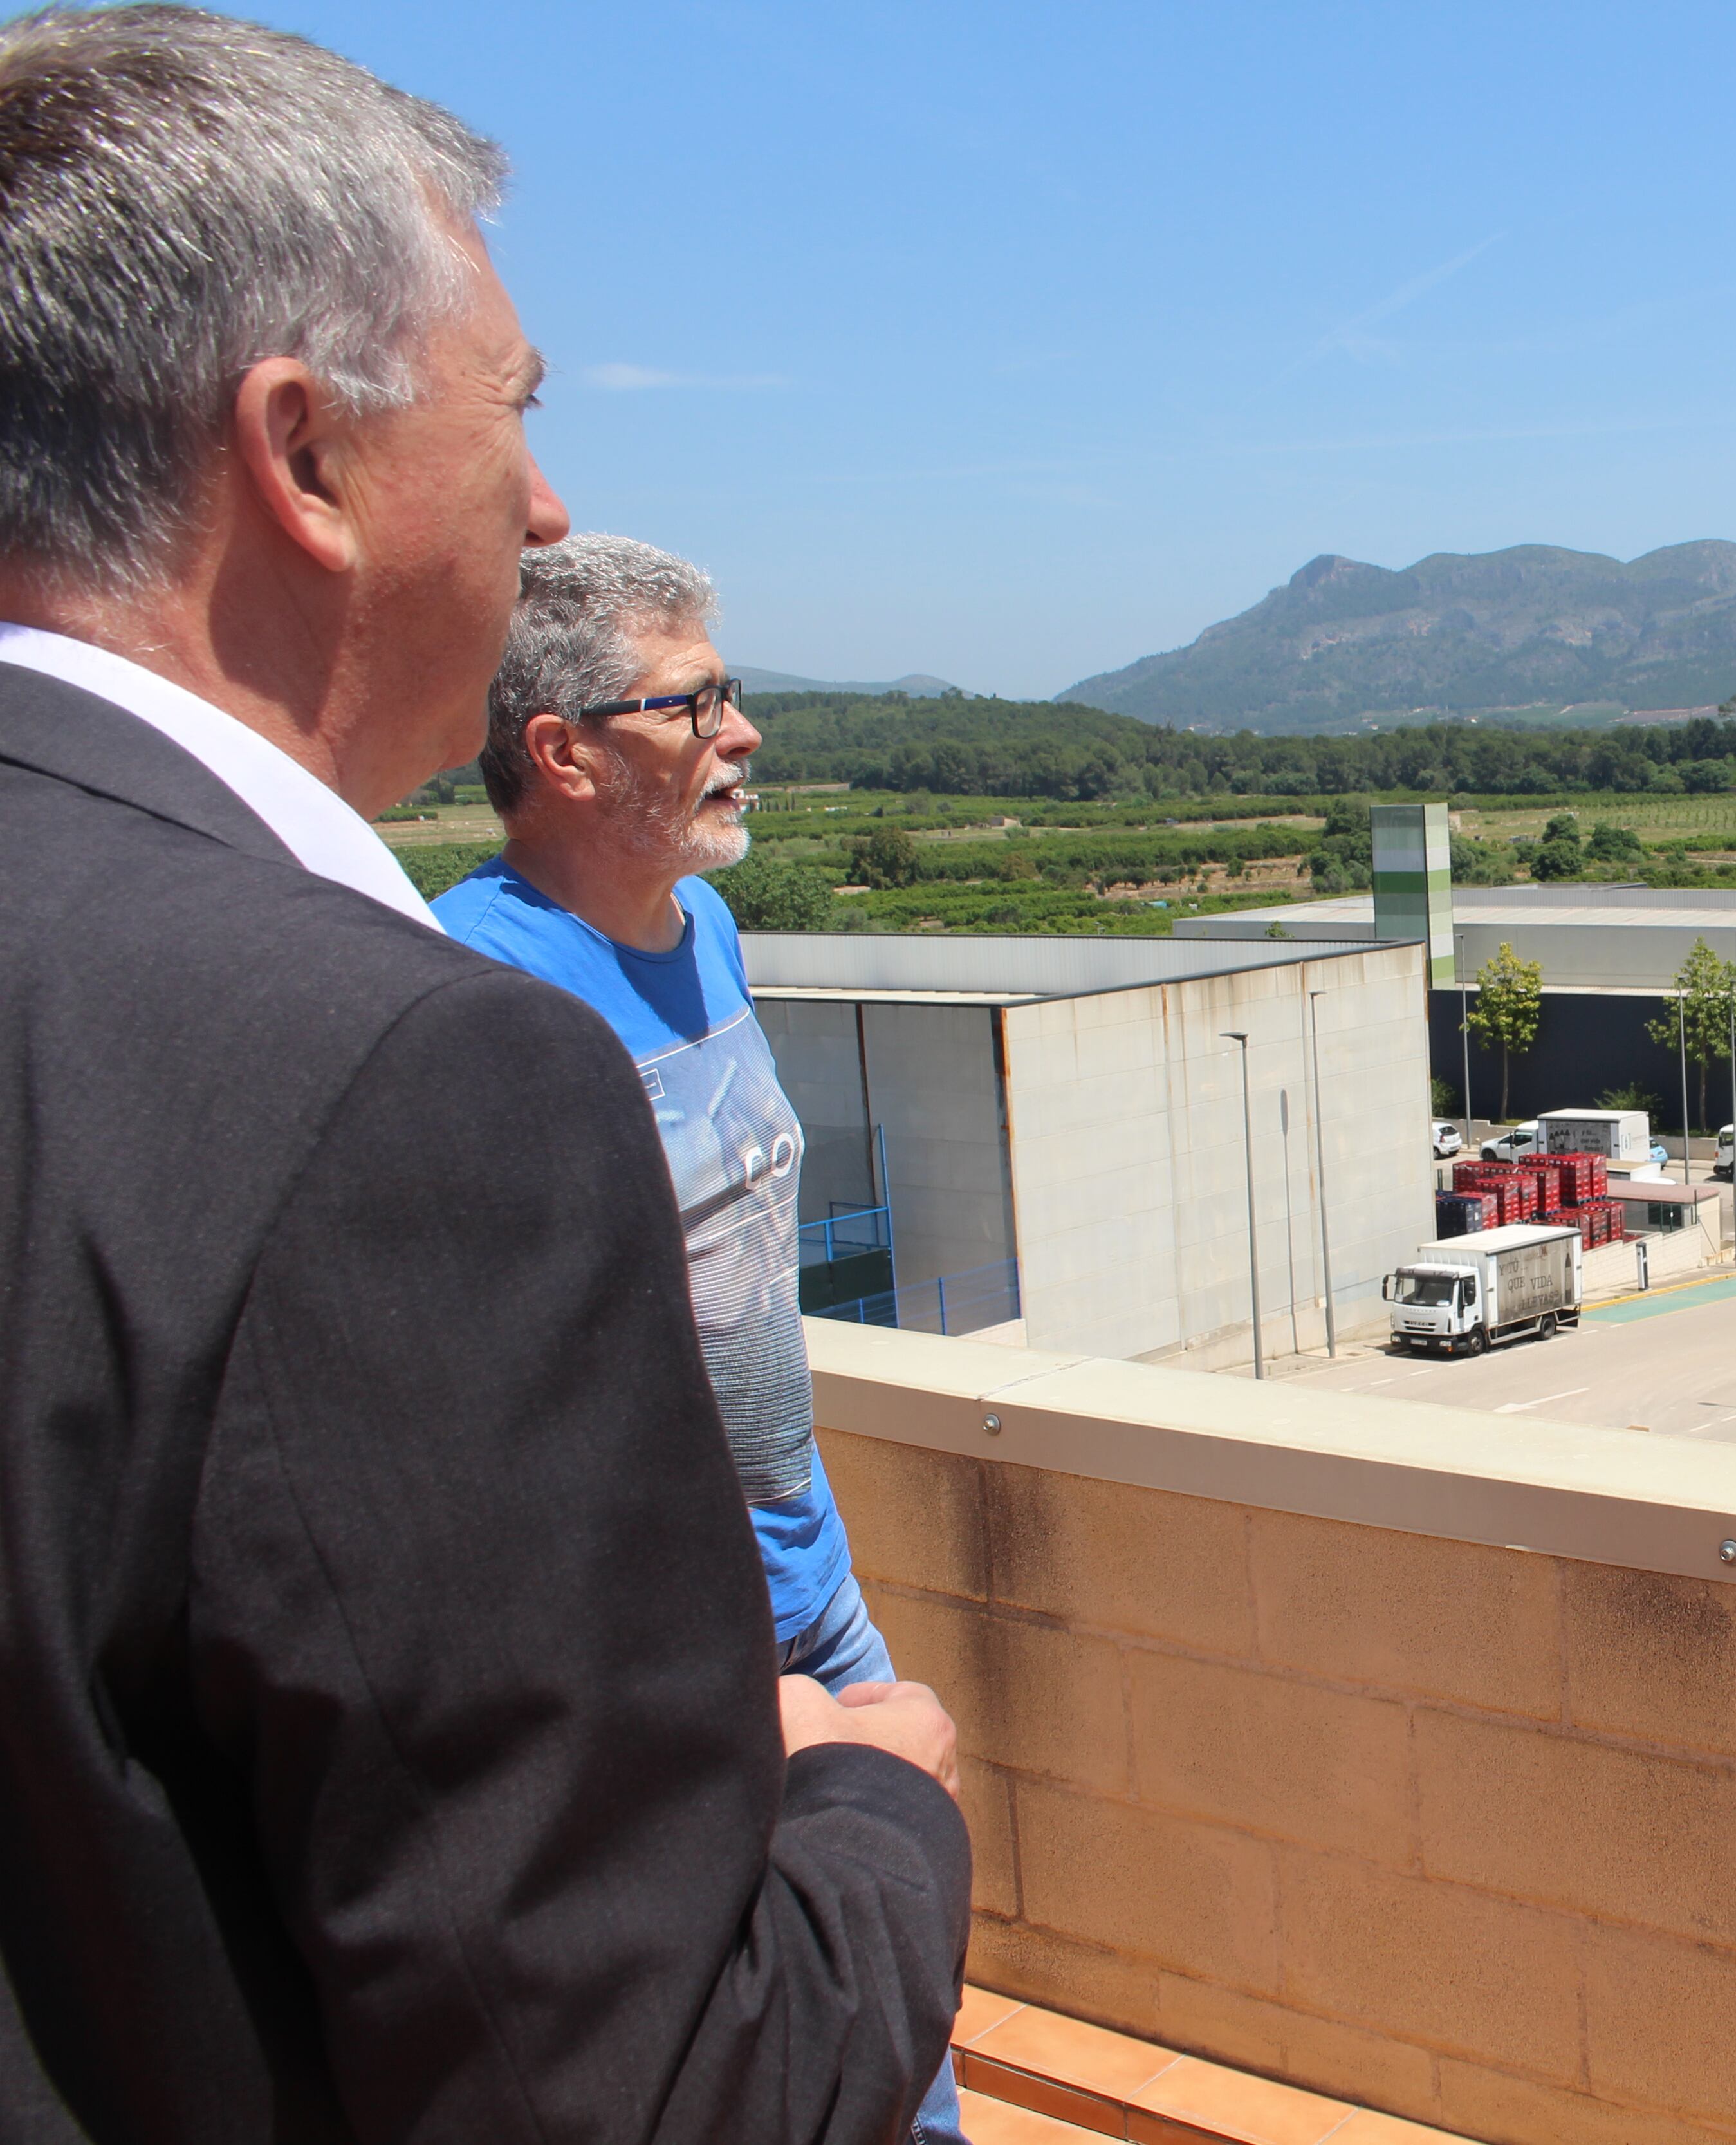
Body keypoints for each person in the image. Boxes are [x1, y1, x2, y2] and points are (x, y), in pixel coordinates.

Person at [0, 10, 969, 2140]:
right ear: (305, 454)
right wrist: (881, 1820)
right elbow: (642, 2088)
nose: (541, 503)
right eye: (513, 412)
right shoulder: (416, 1070)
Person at [434, 534, 967, 2144]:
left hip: (808, 1558)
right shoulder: (476, 996)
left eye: (730, 693)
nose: (743, 733)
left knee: (902, 1961)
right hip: (670, 1612)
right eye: (697, 702)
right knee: (781, 2016)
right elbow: (494, 1399)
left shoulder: (704, 936)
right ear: (565, 748)